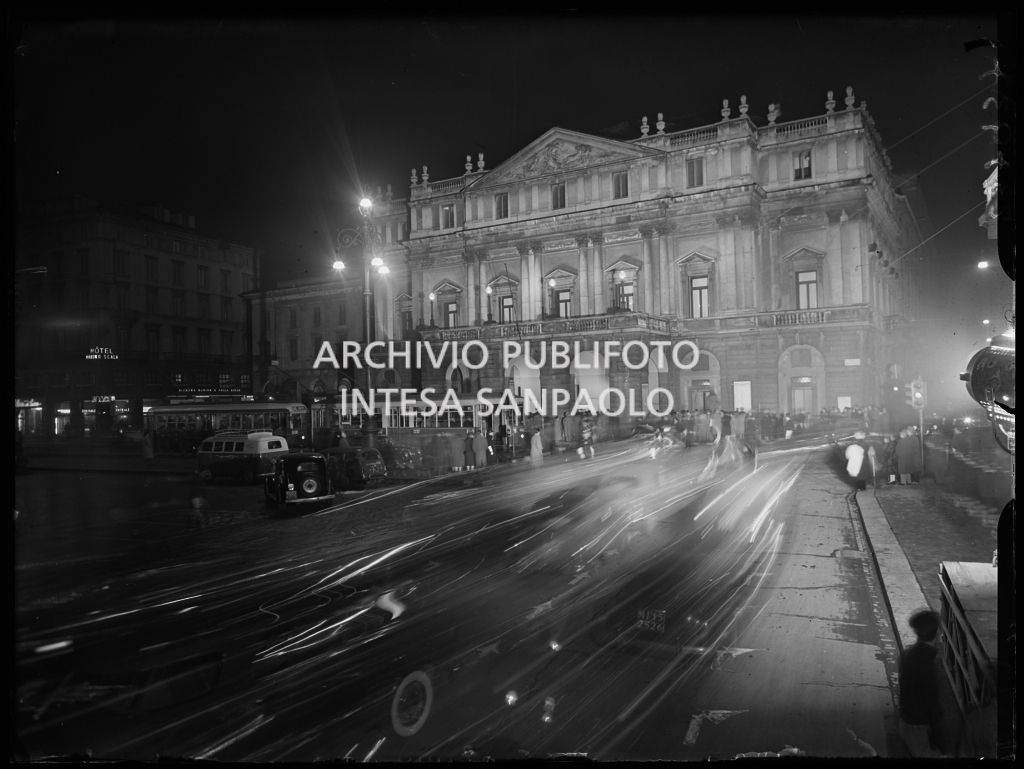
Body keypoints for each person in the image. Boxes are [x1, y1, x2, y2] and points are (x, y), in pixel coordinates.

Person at [898, 609, 946, 757]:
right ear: (937, 634)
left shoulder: (907, 654)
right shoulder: (929, 665)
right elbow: (932, 704)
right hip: (917, 728)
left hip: (906, 720)